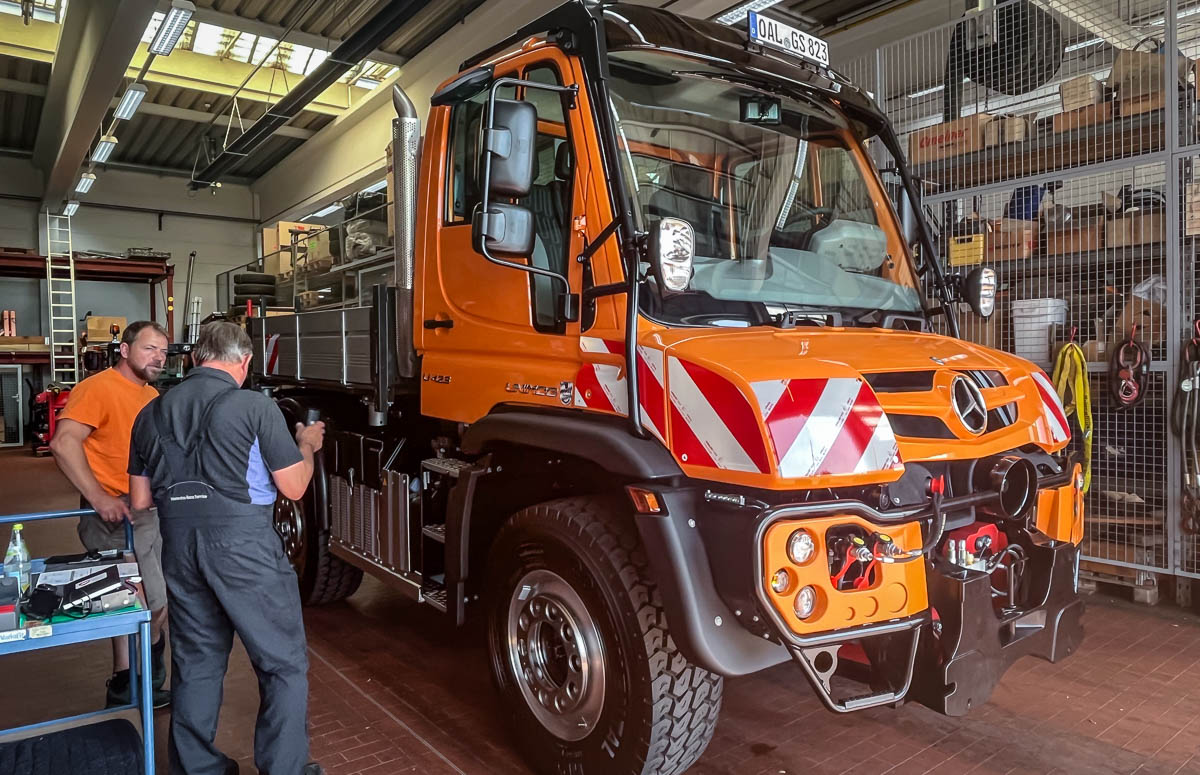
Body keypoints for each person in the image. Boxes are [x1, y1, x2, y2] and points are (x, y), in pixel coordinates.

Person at [127, 321, 325, 775]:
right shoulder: (254, 406)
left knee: (196, 662)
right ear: (245, 362)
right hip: (244, 548)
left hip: (179, 547)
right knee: (281, 663)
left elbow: (140, 501)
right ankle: (284, 769)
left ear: (195, 358)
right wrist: (306, 445)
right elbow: (294, 488)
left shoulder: (150, 414)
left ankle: (197, 769)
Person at [51, 320, 171, 708]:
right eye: (149, 348)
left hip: (148, 511)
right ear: (124, 350)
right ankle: (132, 685)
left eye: (164, 351)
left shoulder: (152, 395)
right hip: (114, 515)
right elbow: (64, 443)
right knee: (139, 600)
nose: (158, 357)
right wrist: (99, 497)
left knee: (150, 601)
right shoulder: (97, 388)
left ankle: (132, 684)